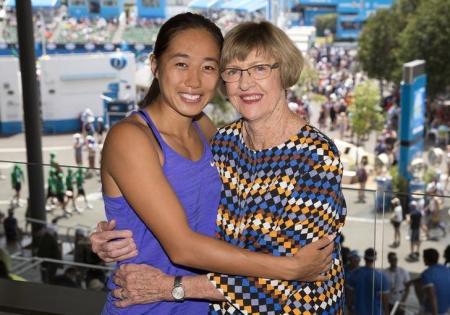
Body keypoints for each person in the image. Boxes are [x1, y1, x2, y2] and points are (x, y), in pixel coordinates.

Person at [91, 17, 346, 314]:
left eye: (209, 67)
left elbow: (296, 276)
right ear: (155, 66)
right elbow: (179, 237)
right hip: (150, 305)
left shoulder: (310, 155)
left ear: (283, 73)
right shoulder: (220, 140)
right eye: (234, 71)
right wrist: (291, 268)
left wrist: (172, 287)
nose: (194, 81)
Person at [346, 248, 390, 315]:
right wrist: (387, 313)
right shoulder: (381, 277)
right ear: (375, 259)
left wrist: (349, 309)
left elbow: (349, 296)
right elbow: (385, 300)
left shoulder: (354, 274)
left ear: (364, 258)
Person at [413, 248, 450, 315]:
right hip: (445, 310)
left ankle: (421, 305)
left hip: (431, 312)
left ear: (425, 259)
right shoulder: (446, 270)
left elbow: (432, 297)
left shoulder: (427, 274)